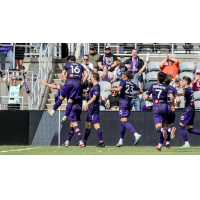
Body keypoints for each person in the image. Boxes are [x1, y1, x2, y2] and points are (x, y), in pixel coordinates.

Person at [40, 79, 87, 147]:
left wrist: (45, 83)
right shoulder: (79, 85)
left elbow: (54, 86)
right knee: (72, 126)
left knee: (74, 124)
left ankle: (81, 142)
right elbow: (86, 91)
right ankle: (67, 142)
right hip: (79, 107)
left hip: (72, 108)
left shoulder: (68, 87)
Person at [105, 71, 143, 147]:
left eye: (122, 74)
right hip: (128, 104)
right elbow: (141, 91)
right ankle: (121, 141)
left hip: (123, 103)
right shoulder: (132, 83)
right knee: (122, 122)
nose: (122, 75)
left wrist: (109, 89)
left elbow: (118, 89)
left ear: (125, 76)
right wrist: (135, 94)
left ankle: (136, 135)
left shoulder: (123, 81)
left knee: (124, 122)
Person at [145, 72, 175, 151]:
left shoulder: (152, 85)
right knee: (164, 127)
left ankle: (169, 130)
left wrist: (153, 101)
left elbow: (146, 97)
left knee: (159, 128)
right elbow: (172, 97)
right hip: (165, 108)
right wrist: (173, 105)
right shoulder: (166, 87)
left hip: (156, 108)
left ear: (157, 78)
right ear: (164, 79)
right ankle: (160, 145)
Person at [82, 73, 105, 147]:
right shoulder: (92, 86)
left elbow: (94, 98)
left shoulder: (96, 87)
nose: (90, 79)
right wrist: (80, 94)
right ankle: (84, 142)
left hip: (94, 109)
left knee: (96, 125)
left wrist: (86, 104)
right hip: (91, 109)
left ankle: (101, 143)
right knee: (87, 125)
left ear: (94, 78)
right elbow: (89, 96)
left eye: (91, 77)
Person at [179, 76, 200, 148]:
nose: (182, 82)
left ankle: (187, 144)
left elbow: (181, 93)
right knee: (190, 129)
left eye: (183, 81)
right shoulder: (190, 89)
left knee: (181, 127)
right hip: (192, 110)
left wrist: (172, 91)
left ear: (186, 82)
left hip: (188, 110)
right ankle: (187, 143)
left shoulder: (187, 89)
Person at [161, 73, 181, 150]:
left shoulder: (161, 88)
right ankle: (167, 145)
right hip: (172, 109)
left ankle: (160, 144)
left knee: (163, 128)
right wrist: (176, 105)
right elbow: (178, 100)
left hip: (164, 108)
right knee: (167, 126)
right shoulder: (173, 89)